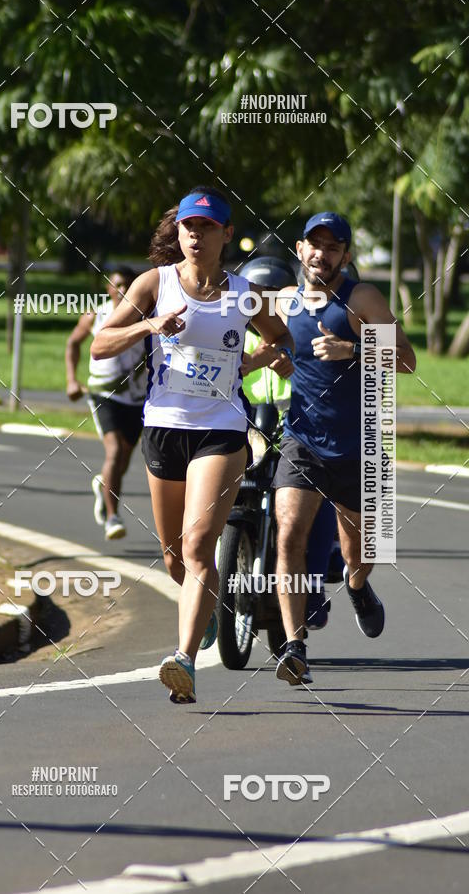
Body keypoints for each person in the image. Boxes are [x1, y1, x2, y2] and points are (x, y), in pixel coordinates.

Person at [91, 185, 295, 703]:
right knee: (173, 559)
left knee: (198, 545)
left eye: (206, 227)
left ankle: (184, 660)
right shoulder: (153, 283)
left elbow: (280, 337)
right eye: (188, 227)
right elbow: (99, 345)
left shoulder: (244, 292)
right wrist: (149, 324)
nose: (195, 236)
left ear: (226, 234)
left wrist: (258, 361)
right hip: (162, 426)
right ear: (177, 232)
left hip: (221, 431)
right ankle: (203, 611)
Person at [271, 212, 416, 686]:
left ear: (346, 256)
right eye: (315, 244)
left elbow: (408, 361)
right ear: (299, 249)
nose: (322, 254)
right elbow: (260, 350)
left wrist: (354, 349)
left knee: (361, 549)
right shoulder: (283, 302)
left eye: (333, 247)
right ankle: (294, 646)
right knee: (289, 531)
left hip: (363, 441)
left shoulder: (363, 297)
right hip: (303, 438)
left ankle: (356, 586)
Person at [240, 257, 338, 636]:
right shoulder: (232, 338)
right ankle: (208, 596)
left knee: (314, 501)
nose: (260, 309)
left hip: (295, 435)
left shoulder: (300, 339)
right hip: (248, 435)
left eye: (269, 300)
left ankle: (311, 587)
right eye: (254, 300)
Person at [66, 267, 147, 540]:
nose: (123, 290)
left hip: (136, 399)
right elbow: (73, 344)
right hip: (104, 394)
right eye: (119, 285)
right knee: (113, 453)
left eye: (128, 285)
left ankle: (104, 486)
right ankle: (113, 516)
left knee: (123, 459)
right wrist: (71, 381)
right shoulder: (96, 315)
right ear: (109, 289)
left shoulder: (145, 316)